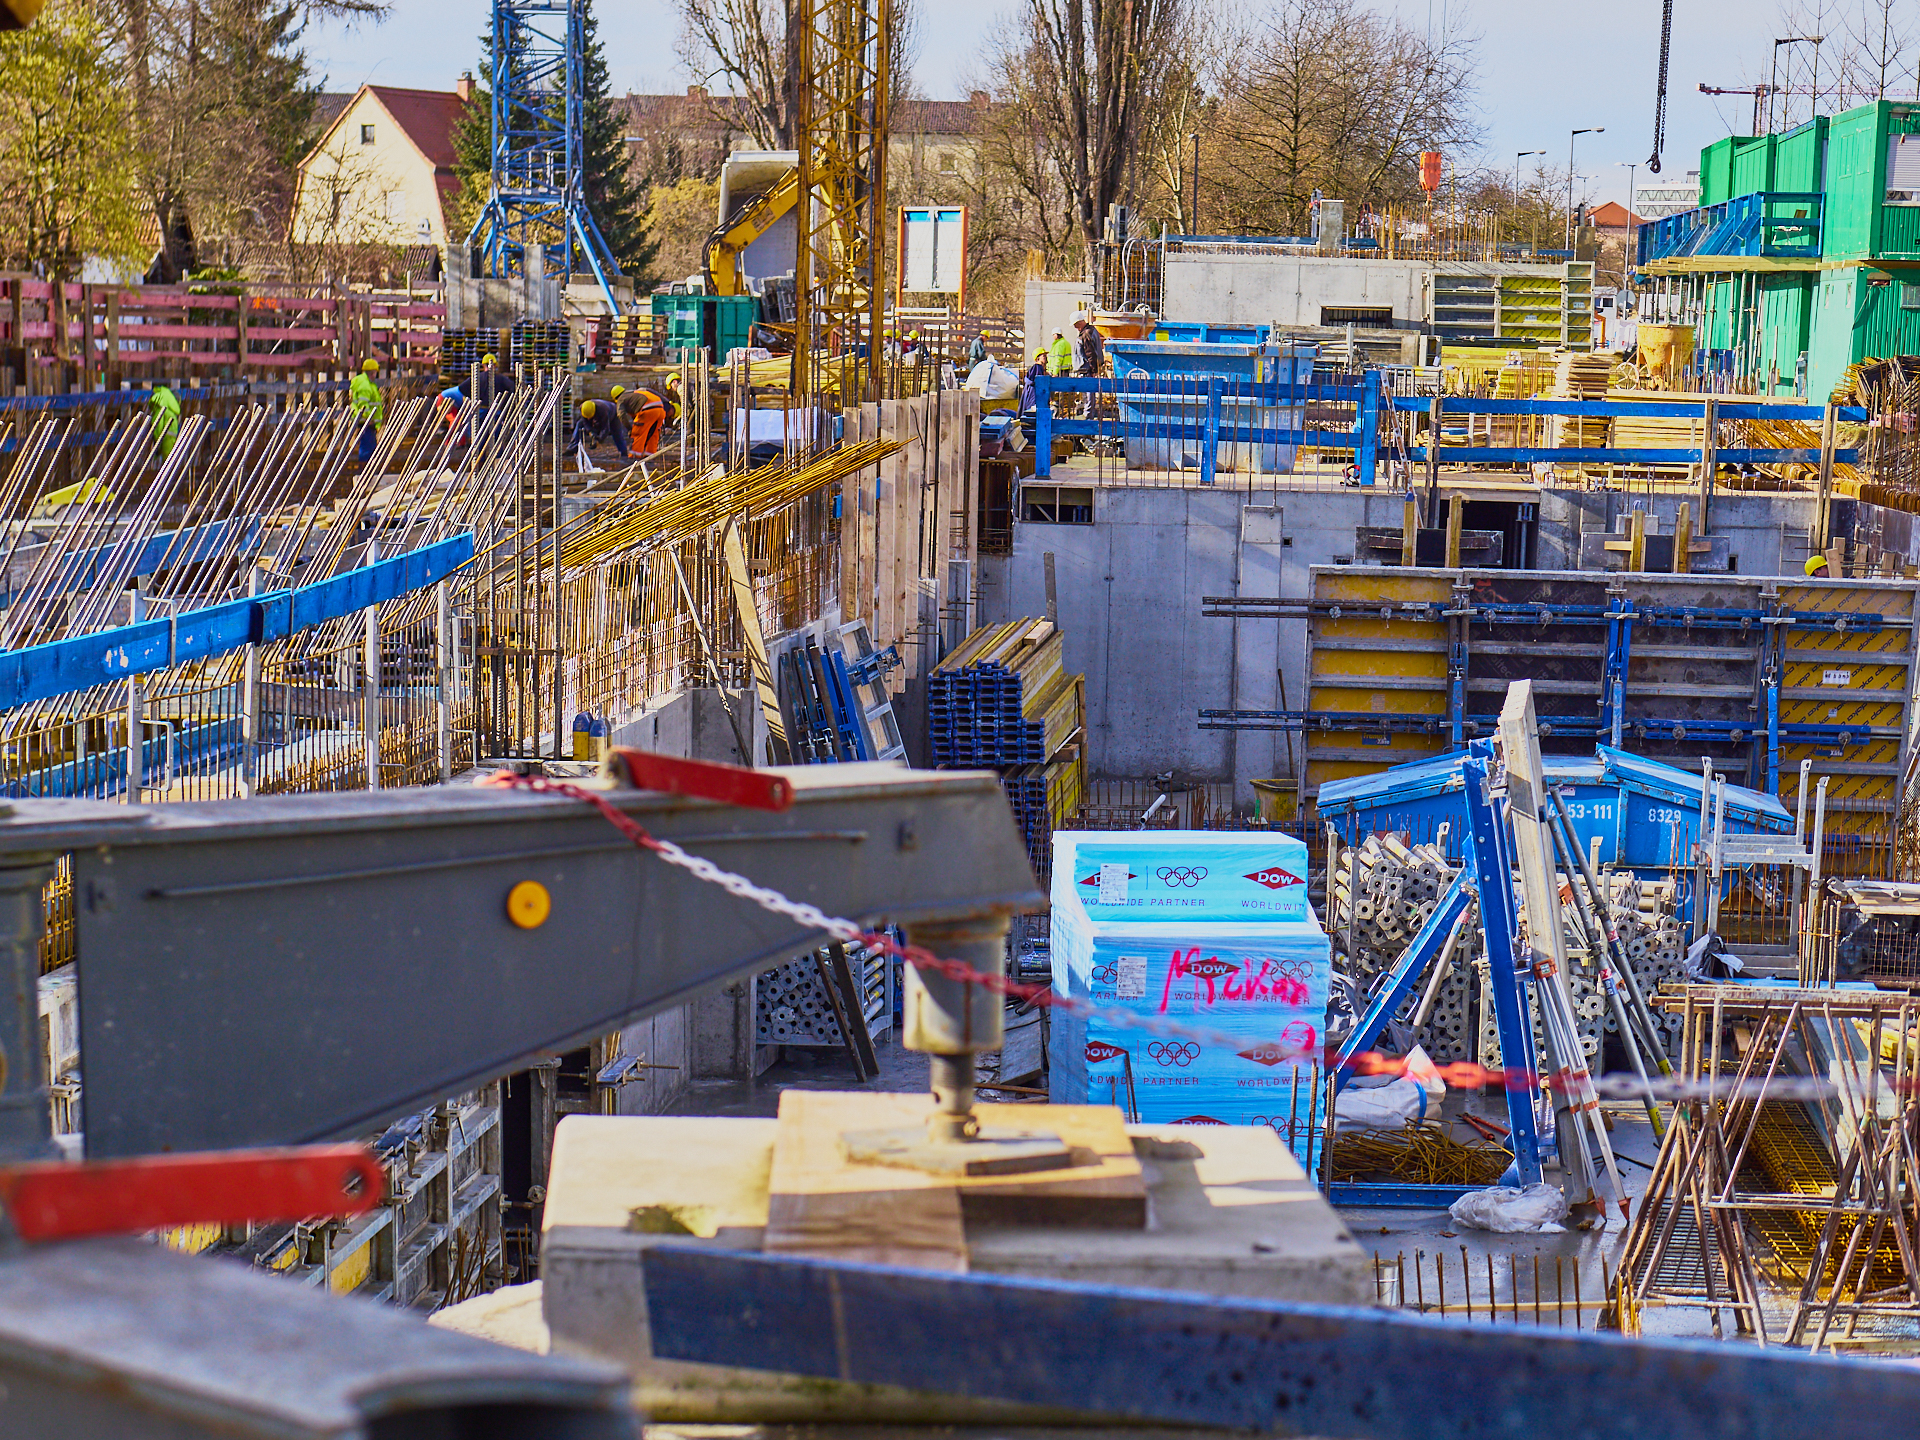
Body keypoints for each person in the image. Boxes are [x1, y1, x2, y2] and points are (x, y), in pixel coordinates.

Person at [348, 359, 383, 465]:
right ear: (372, 372)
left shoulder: (368, 383)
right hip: (366, 422)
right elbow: (363, 405)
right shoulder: (365, 385)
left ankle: (367, 469)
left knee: (370, 448)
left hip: (368, 422)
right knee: (367, 449)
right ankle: (364, 471)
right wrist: (369, 418)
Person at [149, 384, 181, 458]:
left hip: (165, 441)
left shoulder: (161, 410)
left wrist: (157, 444)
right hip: (170, 440)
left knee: (168, 465)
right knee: (170, 465)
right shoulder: (170, 411)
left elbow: (158, 427)